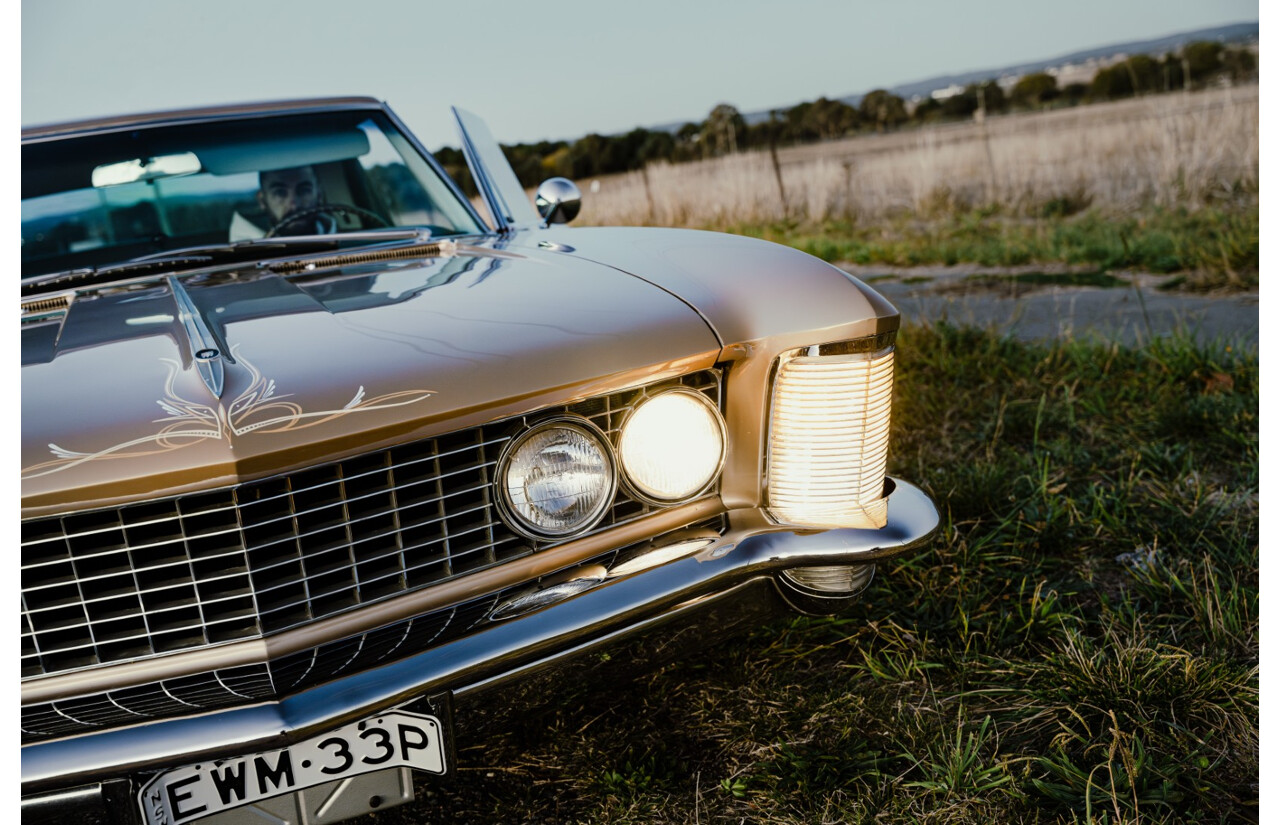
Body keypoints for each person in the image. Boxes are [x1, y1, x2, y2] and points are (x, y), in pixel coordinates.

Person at [229, 165, 337, 240]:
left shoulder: (342, 240)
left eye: (304, 190)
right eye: (280, 193)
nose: (294, 205)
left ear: (319, 195)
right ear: (262, 201)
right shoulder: (241, 256)